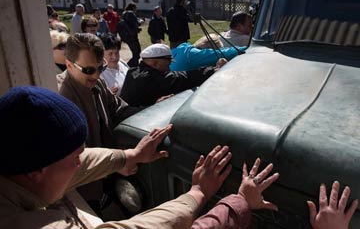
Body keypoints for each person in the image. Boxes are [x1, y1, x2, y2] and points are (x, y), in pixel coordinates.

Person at [0, 87, 356, 229]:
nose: (81, 163)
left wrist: (127, 156)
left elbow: (80, 159)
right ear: (36, 171)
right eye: (72, 160)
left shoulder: (14, 169)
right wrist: (205, 195)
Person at [57, 33, 140, 148]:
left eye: (101, 68)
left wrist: (152, 110)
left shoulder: (97, 82)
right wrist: (125, 158)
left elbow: (119, 110)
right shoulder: (61, 98)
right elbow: (77, 155)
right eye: (88, 70)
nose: (96, 76)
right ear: (69, 65)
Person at [120, 43, 226, 107]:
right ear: (155, 63)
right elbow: (183, 77)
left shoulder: (133, 71)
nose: (169, 68)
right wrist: (214, 70)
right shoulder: (153, 79)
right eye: (168, 64)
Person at [170, 33, 246, 71]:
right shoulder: (195, 55)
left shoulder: (183, 49)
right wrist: (247, 47)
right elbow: (223, 53)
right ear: (211, 49)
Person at [121, 2, 142, 67]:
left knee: (135, 53)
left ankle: (132, 66)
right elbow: (135, 24)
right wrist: (140, 22)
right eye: (136, 8)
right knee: (137, 53)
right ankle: (129, 66)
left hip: (127, 36)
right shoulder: (131, 13)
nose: (136, 10)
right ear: (133, 8)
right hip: (133, 36)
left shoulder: (124, 13)